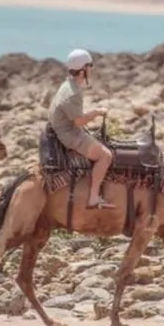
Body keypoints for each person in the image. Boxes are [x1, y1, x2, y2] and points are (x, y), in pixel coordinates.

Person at [48, 48, 116, 209]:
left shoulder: (68, 85)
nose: (91, 69)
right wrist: (97, 112)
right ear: (82, 70)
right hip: (69, 134)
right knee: (106, 156)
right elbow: (79, 121)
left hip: (65, 128)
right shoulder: (73, 93)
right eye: (89, 66)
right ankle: (93, 197)